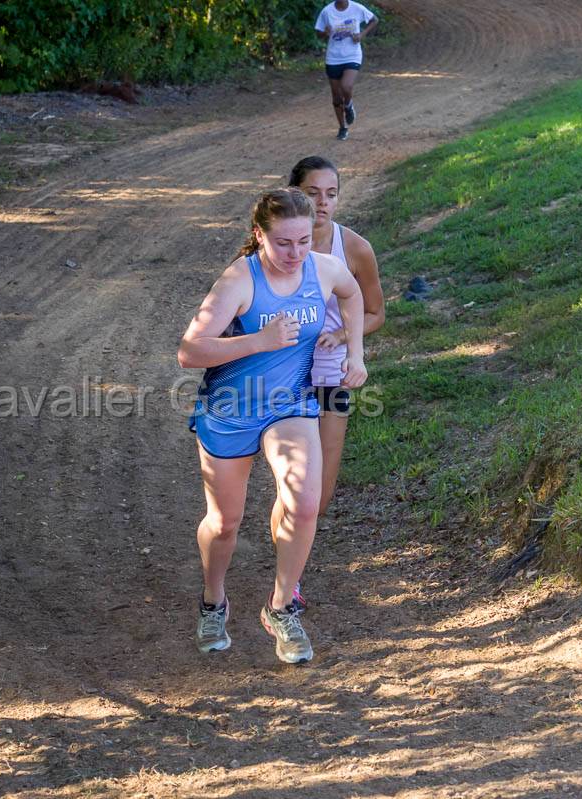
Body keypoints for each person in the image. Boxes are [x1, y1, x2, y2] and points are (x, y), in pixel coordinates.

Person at [178, 188, 367, 664]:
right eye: (283, 243)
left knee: (304, 504)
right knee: (224, 524)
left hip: (291, 405)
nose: (295, 254)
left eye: (303, 241)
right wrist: (259, 341)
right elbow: (190, 352)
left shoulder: (321, 268)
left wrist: (354, 350)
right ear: (259, 235)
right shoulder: (239, 281)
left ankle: (281, 608)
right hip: (230, 409)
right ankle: (212, 601)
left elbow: (353, 291)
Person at [272, 156, 385, 611]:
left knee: (319, 495)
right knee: (295, 487)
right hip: (282, 375)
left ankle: (288, 556)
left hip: (332, 373)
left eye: (331, 193)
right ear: (295, 193)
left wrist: (344, 335)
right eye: (313, 193)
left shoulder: (354, 248)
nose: (323, 203)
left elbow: (376, 312)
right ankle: (288, 586)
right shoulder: (275, 247)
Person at [315, 0, 378, 141]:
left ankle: (349, 105)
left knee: (346, 86)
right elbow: (318, 32)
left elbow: (374, 20)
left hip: (352, 55)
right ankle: (343, 128)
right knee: (336, 97)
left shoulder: (357, 8)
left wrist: (362, 35)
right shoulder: (327, 11)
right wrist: (324, 33)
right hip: (333, 57)